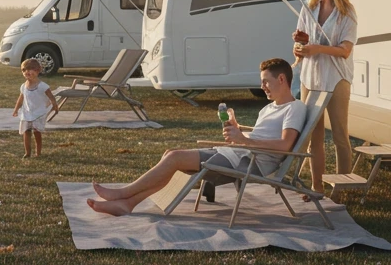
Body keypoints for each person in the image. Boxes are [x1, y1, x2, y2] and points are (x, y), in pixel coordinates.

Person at [86, 58, 305, 215]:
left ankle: (123, 194)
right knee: (170, 154)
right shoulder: (268, 109)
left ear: (282, 79)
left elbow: (285, 144)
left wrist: (244, 140)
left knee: (174, 158)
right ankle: (128, 203)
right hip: (239, 154)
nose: (262, 87)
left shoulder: (294, 108)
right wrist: (239, 130)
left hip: (249, 163)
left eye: (266, 81)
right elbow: (261, 136)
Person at [292, 0, 358, 196]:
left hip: (337, 79)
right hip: (310, 78)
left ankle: (341, 189)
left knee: (340, 136)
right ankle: (316, 187)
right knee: (313, 137)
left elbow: (345, 50)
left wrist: (317, 49)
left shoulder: (346, 12)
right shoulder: (308, 8)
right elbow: (301, 44)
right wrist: (299, 46)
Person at [12, 58, 57, 158]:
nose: (27, 72)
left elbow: (51, 96)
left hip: (38, 113)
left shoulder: (42, 86)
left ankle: (38, 152)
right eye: (24, 70)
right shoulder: (23, 86)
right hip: (27, 112)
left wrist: (55, 106)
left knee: (37, 132)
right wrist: (16, 109)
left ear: (38, 70)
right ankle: (27, 152)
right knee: (26, 132)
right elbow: (21, 98)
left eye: (30, 69)